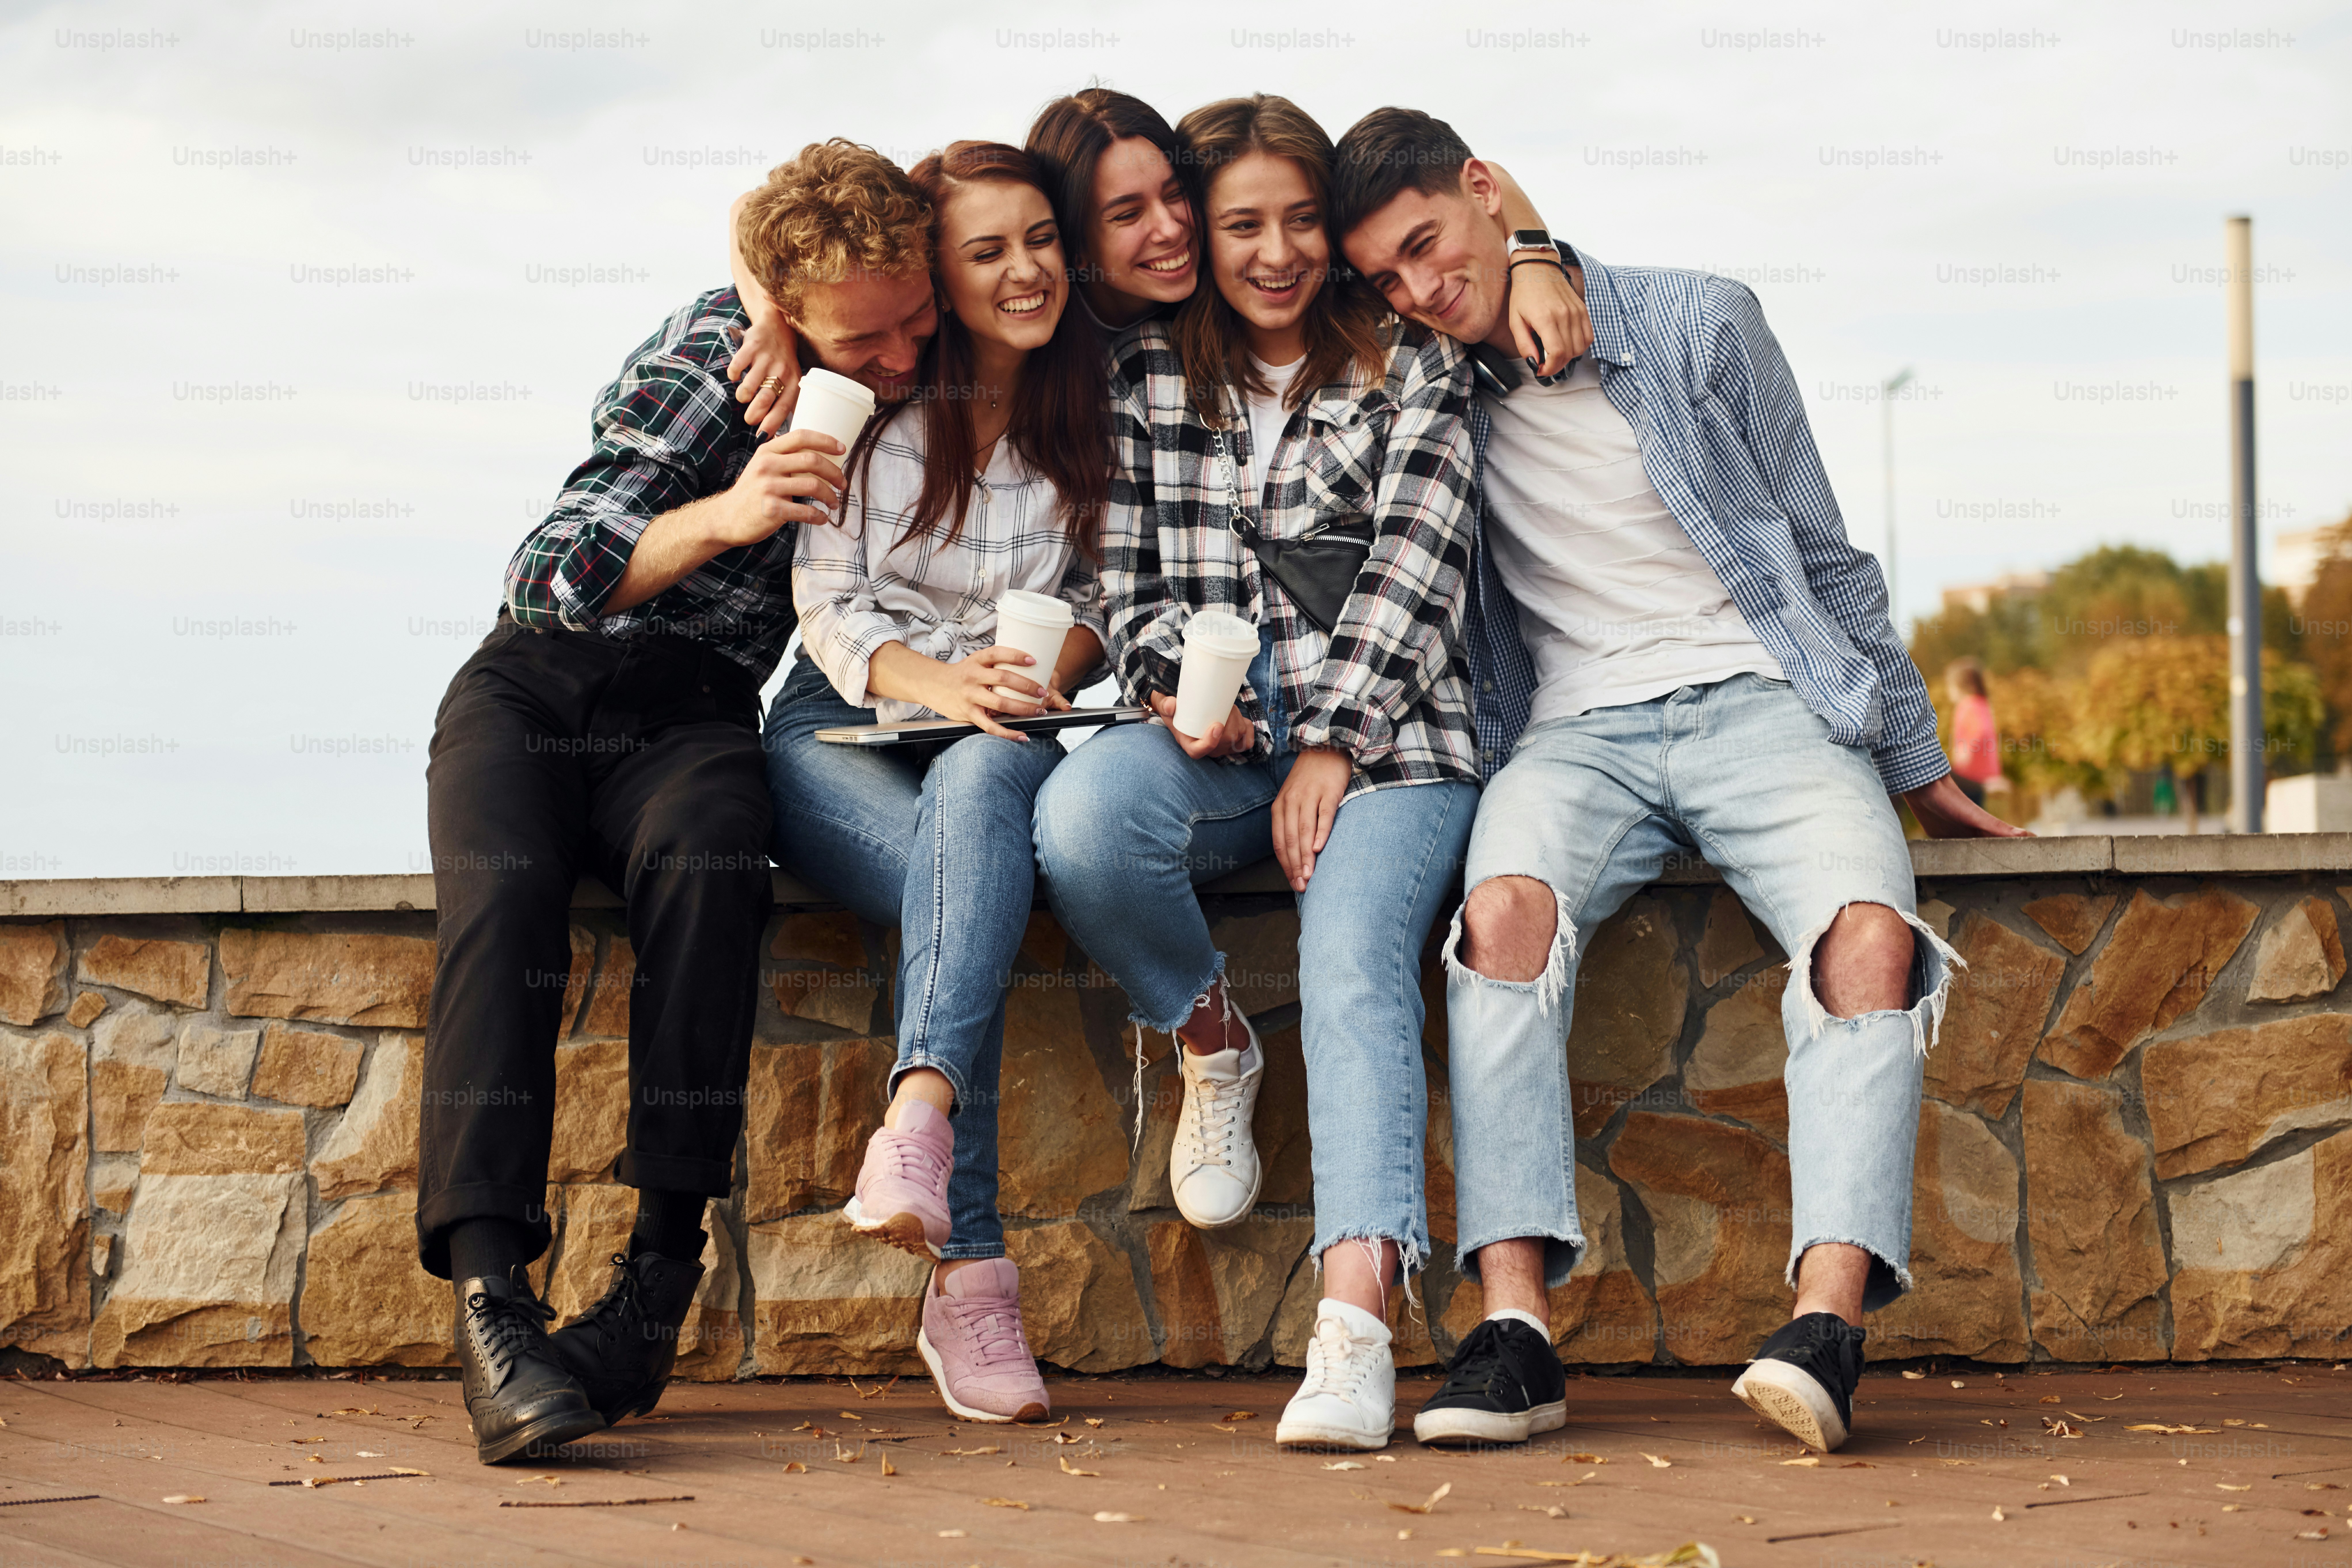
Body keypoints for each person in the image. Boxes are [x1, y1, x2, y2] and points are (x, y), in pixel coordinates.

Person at [1333, 107, 2031, 1454]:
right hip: (1571, 728)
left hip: (1765, 706)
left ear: (1483, 191)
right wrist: (1521, 261)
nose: (1417, 290)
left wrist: (1911, 753)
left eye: (1425, 245)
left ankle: (1825, 1329)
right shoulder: (1427, 388)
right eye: (1388, 279)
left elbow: (1823, 552)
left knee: (1869, 938)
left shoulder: (1702, 322)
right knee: (1499, 922)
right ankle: (1515, 1334)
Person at [415, 138, 936, 1465]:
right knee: (503, 914)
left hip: (694, 711)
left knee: (716, 868)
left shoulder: (893, 345)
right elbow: (548, 572)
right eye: (865, 339)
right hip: (538, 688)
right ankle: (492, 1306)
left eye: (915, 320)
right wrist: (731, 511)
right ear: (788, 311)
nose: (899, 357)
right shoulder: (719, 361)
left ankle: (656, 1279)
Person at [1032, 94, 1483, 1453]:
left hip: (1396, 749)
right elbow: (1123, 586)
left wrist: (1331, 739)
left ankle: (1355, 1323)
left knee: (1351, 964)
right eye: (1241, 225)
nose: (1275, 252)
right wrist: (1184, 695)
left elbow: (1421, 562)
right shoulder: (1145, 377)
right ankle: (1209, 1035)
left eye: (1299, 221)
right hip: (1223, 750)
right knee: (1084, 818)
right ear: (1204, 233)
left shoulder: (1411, 360)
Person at [761, 142, 1108, 1424]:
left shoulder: (1094, 403)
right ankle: (968, 1270)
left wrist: (1036, 676)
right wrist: (940, 683)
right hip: (841, 725)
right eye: (986, 250)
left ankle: (918, 1130)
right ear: (932, 274)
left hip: (999, 730)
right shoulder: (860, 402)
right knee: (965, 887)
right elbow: (827, 605)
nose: (1023, 270)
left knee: (973, 826)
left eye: (1040, 239)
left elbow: (1103, 599)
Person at [724, 89, 1587, 434]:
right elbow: (759, 216)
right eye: (1126, 214)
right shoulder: (1001, 300)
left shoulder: (1243, 286)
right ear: (1075, 229)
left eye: (1176, 196)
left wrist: (1535, 255)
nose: (1171, 229)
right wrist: (769, 318)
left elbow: (1465, 182)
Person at [1945, 659, 2002, 806]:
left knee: (1965, 811)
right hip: (1985, 774)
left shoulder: (1967, 705)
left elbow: (1981, 731)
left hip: (1970, 775)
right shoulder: (1983, 703)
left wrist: (1966, 753)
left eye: (1950, 686)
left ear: (1960, 687)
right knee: (1977, 810)